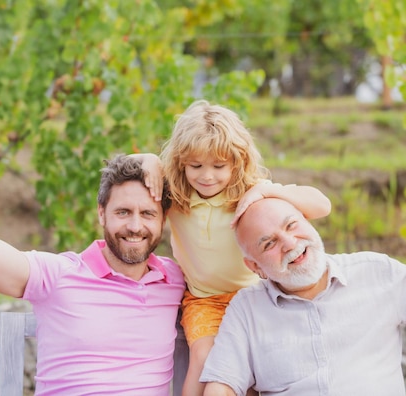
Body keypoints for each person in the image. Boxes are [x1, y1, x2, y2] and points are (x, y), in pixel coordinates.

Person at [0, 83, 186, 396]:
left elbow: (215, 185)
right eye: (123, 212)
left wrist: (153, 158)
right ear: (101, 213)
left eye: (148, 214)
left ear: (164, 219)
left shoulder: (176, 280)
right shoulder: (58, 274)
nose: (135, 226)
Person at [201, 177, 406, 396]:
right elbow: (221, 385)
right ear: (256, 268)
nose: (289, 243)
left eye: (291, 225)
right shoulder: (247, 309)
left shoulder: (376, 272)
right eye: (269, 243)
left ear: (307, 221)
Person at [135, 100, 332, 396]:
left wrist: (269, 189)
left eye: (218, 166)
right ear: (181, 163)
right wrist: (149, 159)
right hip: (205, 300)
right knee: (203, 359)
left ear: (236, 162)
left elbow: (322, 205)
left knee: (250, 369)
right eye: (196, 166)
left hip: (255, 298)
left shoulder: (250, 194)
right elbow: (135, 166)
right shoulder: (176, 196)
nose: (207, 176)